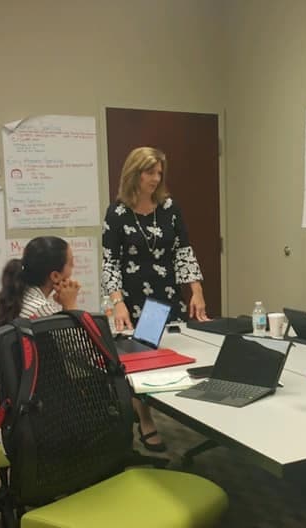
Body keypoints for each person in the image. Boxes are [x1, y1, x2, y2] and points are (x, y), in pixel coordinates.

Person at [102, 146, 208, 451]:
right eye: (150, 172)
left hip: (165, 294)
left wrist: (196, 290)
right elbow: (110, 261)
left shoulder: (169, 208)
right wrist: (117, 301)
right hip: (130, 297)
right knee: (138, 360)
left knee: (167, 356)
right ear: (135, 173)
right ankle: (146, 420)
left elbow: (184, 251)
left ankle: (163, 410)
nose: (156, 178)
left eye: (159, 172)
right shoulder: (117, 213)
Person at [0, 236, 80, 443]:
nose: (74, 268)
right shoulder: (43, 309)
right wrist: (71, 308)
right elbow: (80, 350)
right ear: (56, 276)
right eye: (71, 263)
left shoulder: (20, 297)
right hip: (4, 420)